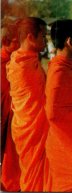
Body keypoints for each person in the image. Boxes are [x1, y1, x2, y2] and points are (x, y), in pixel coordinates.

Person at [6, 17, 49, 191]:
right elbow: (34, 100)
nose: (46, 41)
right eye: (43, 36)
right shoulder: (21, 65)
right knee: (32, 177)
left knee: (36, 175)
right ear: (31, 37)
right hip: (30, 127)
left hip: (31, 126)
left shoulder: (28, 60)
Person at [44, 19, 72, 192]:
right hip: (67, 145)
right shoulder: (59, 73)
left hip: (70, 142)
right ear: (69, 41)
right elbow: (53, 113)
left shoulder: (67, 67)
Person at [1, 19, 21, 192]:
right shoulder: (3, 63)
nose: (19, 45)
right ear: (6, 42)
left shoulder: (15, 62)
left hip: (14, 118)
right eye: (16, 42)